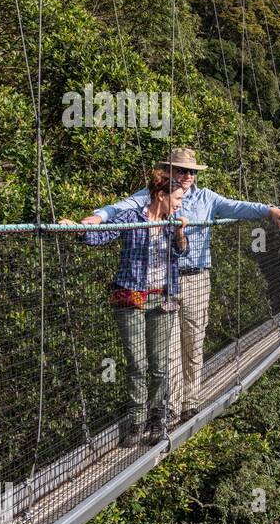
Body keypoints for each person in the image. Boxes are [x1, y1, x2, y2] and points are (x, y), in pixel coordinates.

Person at [71, 148, 280, 424]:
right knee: (168, 350)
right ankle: (171, 409)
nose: (187, 176)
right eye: (181, 170)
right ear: (168, 171)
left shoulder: (207, 198)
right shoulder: (153, 194)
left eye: (191, 171)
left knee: (193, 340)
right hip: (166, 283)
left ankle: (191, 401)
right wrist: (93, 220)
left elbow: (238, 207)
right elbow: (118, 209)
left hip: (197, 278)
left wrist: (269, 210)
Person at [63, 170, 189, 447]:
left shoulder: (172, 222)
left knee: (159, 363)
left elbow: (182, 252)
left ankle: (158, 417)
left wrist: (180, 231)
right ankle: (136, 421)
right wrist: (80, 228)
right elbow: (102, 234)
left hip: (163, 297)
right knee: (137, 362)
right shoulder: (133, 218)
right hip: (130, 295)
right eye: (177, 198)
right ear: (161, 196)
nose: (180, 203)